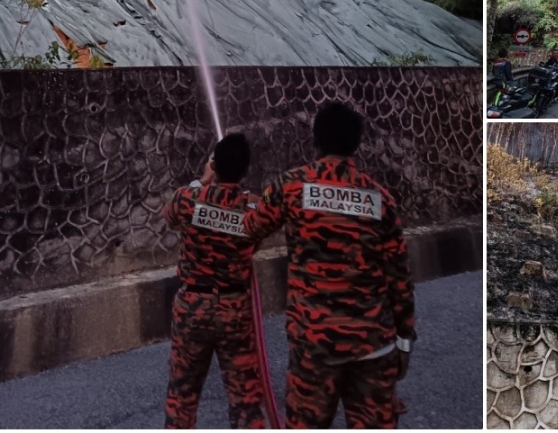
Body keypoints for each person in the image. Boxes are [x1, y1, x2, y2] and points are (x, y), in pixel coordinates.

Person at [244, 103, 415, 429]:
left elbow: (251, 228)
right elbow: (400, 278)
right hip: (374, 346)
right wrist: (405, 341)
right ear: (356, 143)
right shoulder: (380, 199)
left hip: (313, 347)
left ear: (316, 139)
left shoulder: (291, 186)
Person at [162, 133, 266, 429]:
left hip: (192, 308)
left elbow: (168, 216)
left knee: (182, 396)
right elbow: (258, 231)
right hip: (234, 310)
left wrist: (202, 181)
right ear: (245, 170)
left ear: (214, 165)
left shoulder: (187, 198)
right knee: (245, 399)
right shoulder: (253, 210)